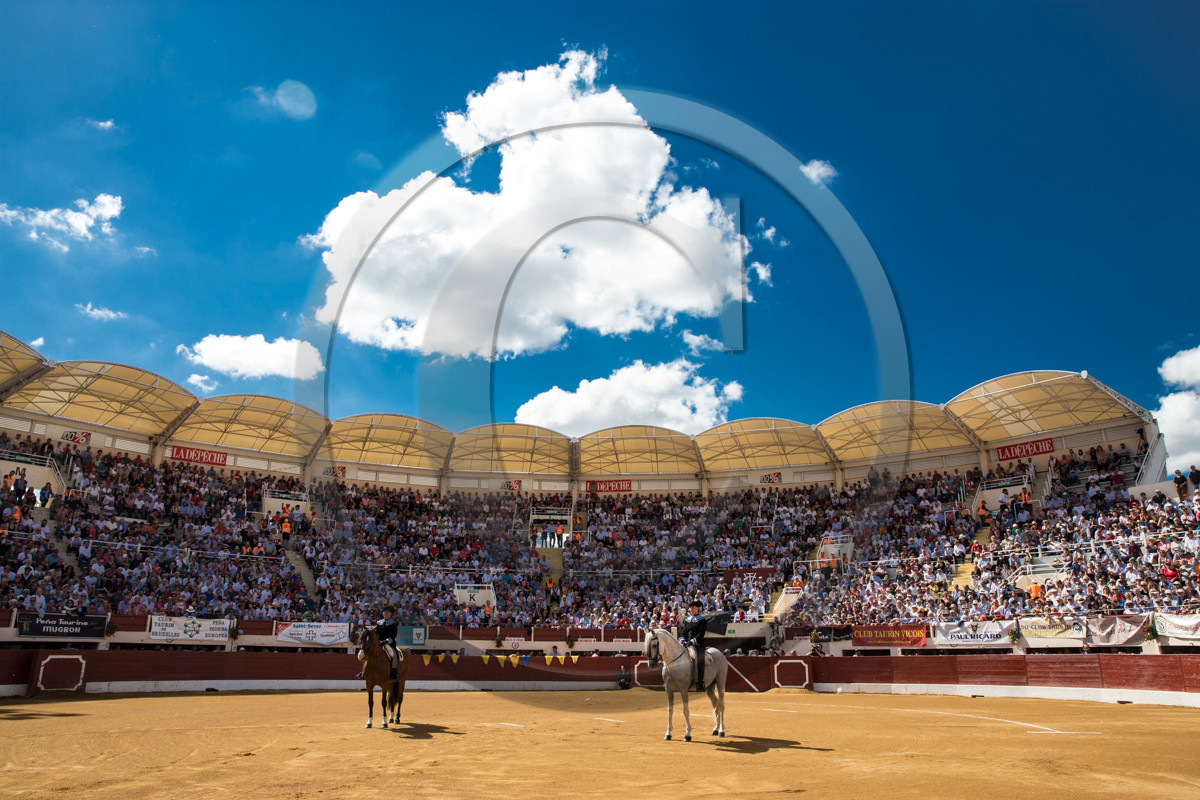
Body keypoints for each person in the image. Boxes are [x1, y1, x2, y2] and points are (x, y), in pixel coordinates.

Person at [677, 599, 708, 691]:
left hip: (698, 644)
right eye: (690, 608)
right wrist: (682, 640)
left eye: (693, 607)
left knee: (700, 660)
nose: (691, 609)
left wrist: (692, 641)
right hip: (687, 643)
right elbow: (684, 632)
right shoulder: (687, 620)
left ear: (698, 608)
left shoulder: (702, 620)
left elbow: (700, 634)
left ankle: (700, 682)